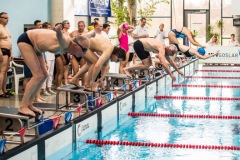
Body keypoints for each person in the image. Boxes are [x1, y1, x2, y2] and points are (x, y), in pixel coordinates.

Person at [17, 24, 91, 116]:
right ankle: (23, 106)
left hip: (37, 47)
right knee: (38, 75)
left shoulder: (73, 43)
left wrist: (92, 34)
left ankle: (29, 104)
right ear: (76, 45)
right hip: (27, 41)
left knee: (44, 75)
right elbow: (60, 37)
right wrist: (58, 30)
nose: (85, 52)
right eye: (84, 49)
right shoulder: (66, 43)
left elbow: (84, 37)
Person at [70, 21, 88, 86]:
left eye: (81, 26)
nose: (80, 27)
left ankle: (84, 85)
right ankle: (76, 84)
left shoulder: (86, 34)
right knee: (75, 71)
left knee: (83, 72)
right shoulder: (73, 33)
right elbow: (68, 41)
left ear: (84, 26)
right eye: (79, 26)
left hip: (83, 55)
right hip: (74, 54)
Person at [41, 22, 56, 96]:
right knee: (46, 74)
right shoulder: (43, 36)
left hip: (52, 55)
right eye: (48, 27)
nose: (50, 28)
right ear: (45, 28)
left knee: (51, 73)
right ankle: (43, 89)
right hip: (46, 55)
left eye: (50, 27)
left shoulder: (51, 35)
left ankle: (49, 87)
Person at [0, 12, 13, 98]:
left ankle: (4, 89)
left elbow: (9, 40)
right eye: (5, 18)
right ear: (0, 18)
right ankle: (0, 91)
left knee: (5, 72)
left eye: (8, 18)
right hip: (2, 51)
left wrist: (11, 52)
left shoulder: (6, 28)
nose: (7, 19)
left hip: (8, 51)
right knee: (2, 71)